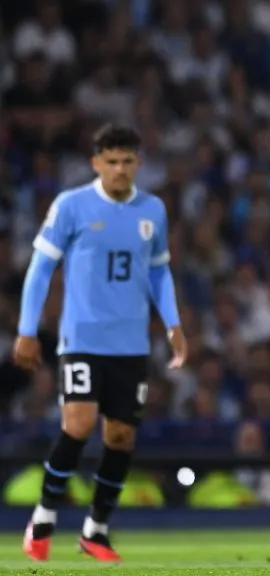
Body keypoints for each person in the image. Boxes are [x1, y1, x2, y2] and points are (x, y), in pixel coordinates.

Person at [15, 124, 187, 562]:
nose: (119, 169)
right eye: (111, 161)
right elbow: (39, 269)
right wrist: (26, 329)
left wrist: (172, 323)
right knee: (77, 424)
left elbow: (159, 271)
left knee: (122, 436)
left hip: (130, 345)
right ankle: (45, 516)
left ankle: (96, 529)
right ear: (96, 163)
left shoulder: (152, 210)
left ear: (138, 164)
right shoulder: (71, 206)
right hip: (82, 338)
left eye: (127, 161)